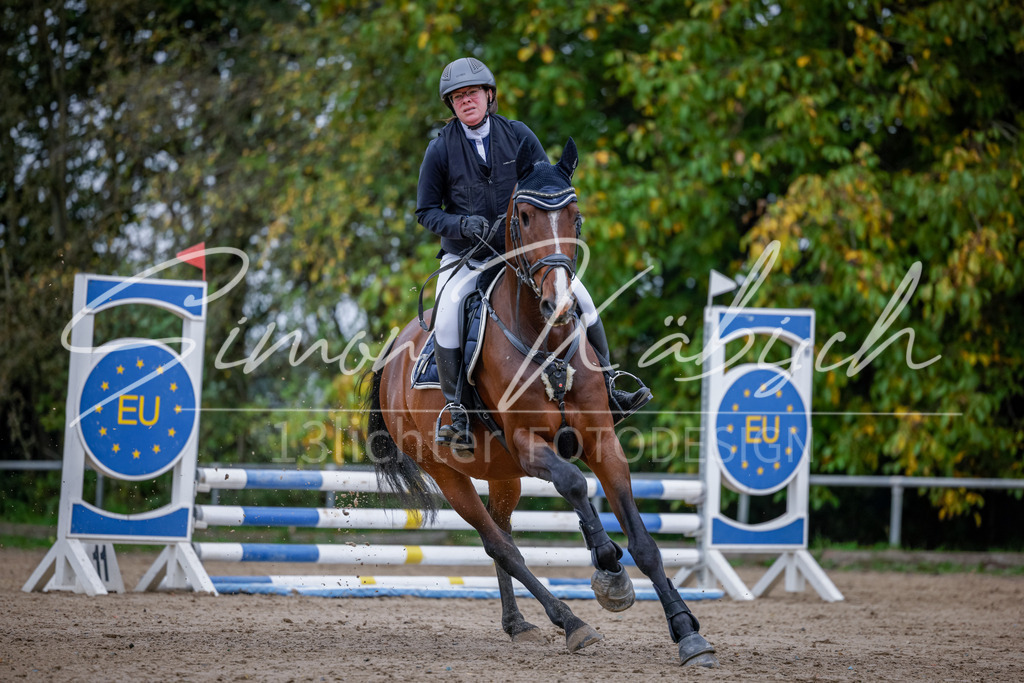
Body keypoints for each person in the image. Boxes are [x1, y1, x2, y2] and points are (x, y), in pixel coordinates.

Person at [416, 57, 651, 450]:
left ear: (489, 96)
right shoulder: (440, 150)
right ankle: (457, 412)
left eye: (472, 93)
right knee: (448, 314)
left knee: (584, 299)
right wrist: (461, 226)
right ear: (451, 106)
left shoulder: (518, 135)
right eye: (457, 98)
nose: (466, 101)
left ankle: (610, 385)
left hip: (523, 258)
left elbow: (546, 184)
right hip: (468, 258)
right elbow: (425, 211)